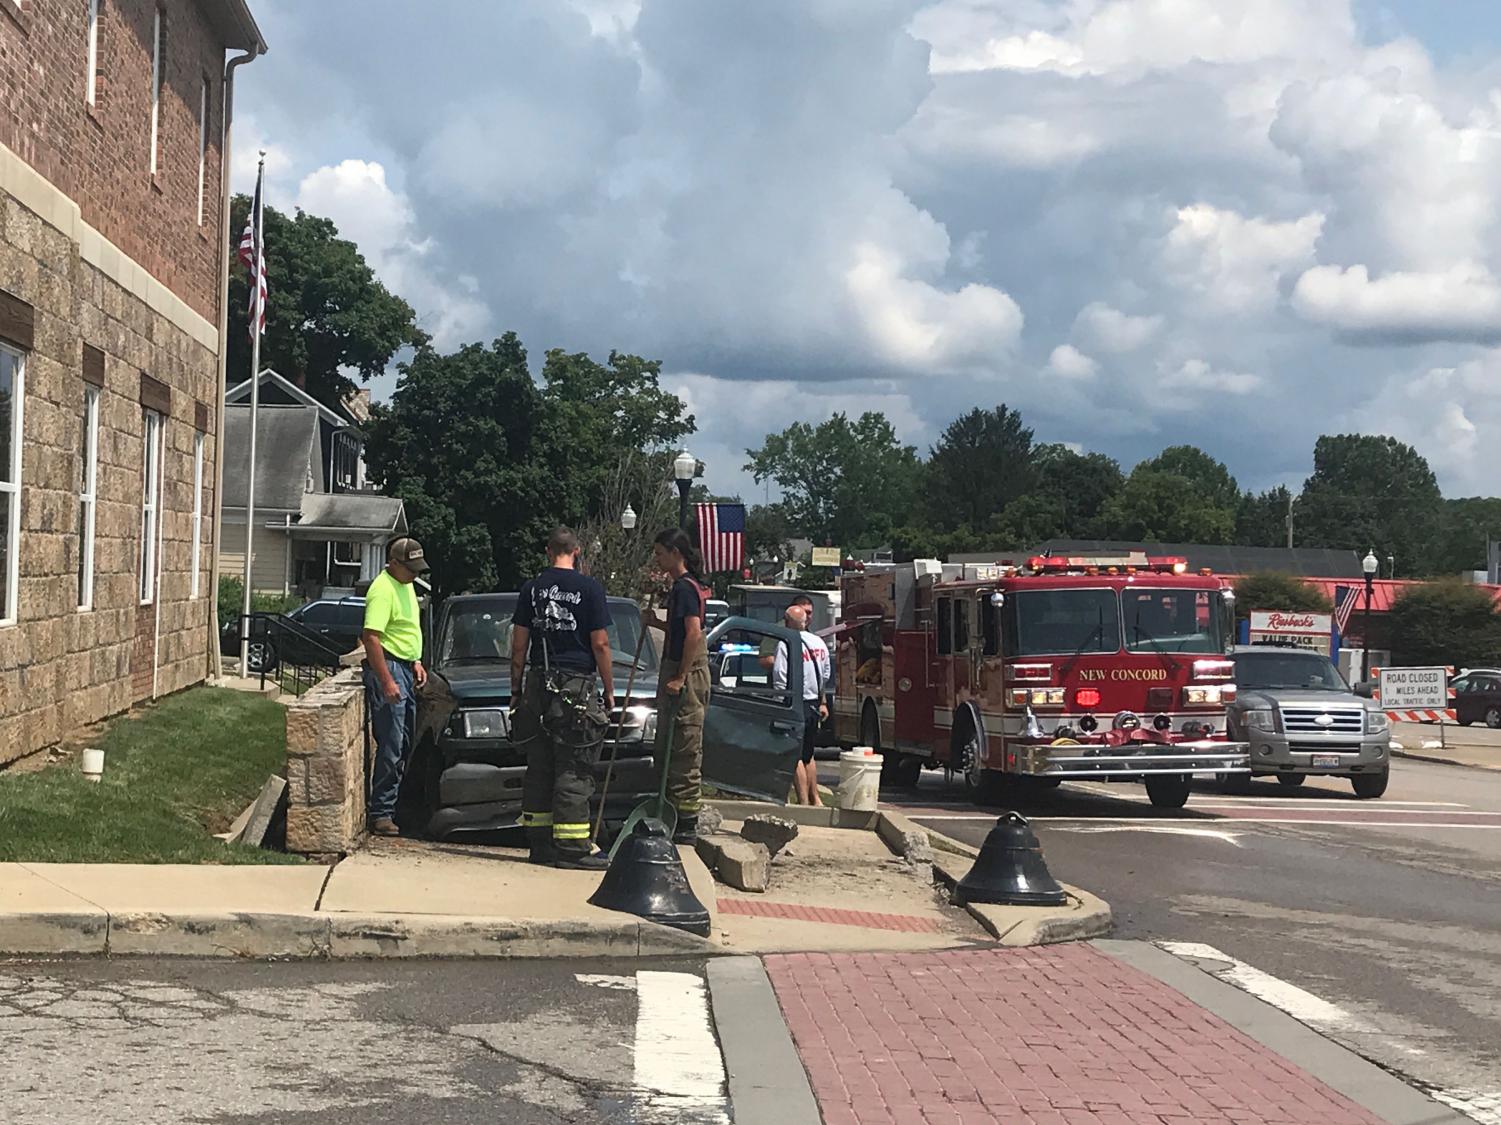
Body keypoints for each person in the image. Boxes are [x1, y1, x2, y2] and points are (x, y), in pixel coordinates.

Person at [511, 527, 615, 869]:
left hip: (537, 685)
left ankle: (540, 845)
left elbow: (519, 645)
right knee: (574, 764)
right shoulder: (589, 589)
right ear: (578, 551)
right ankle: (572, 847)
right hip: (576, 687)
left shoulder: (532, 589)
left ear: (547, 551)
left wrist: (516, 689)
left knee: (539, 765)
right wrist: (609, 689)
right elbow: (599, 643)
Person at [362, 537, 429, 837]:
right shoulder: (382, 589)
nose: (415, 574)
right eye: (411, 568)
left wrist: (415, 660)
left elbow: (406, 628)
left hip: (405, 665)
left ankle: (391, 806)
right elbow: (371, 637)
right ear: (395, 563)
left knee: (403, 741)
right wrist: (387, 680)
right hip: (388, 667)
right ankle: (382, 813)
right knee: (390, 743)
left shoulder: (406, 585)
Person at [652, 528, 711, 843]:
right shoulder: (678, 589)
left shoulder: (687, 589)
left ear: (676, 552)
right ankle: (670, 811)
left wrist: (680, 677)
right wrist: (656, 623)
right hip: (675, 669)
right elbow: (678, 629)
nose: (657, 559)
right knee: (668, 748)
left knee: (685, 747)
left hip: (686, 675)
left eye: (660, 552)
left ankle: (686, 823)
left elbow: (693, 634)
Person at [772, 605, 832, 807]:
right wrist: (822, 701)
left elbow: (780, 677)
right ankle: (816, 798)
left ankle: (803, 801)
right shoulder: (819, 643)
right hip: (814, 702)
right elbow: (825, 675)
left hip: (795, 702)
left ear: (787, 622)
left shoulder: (786, 644)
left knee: (794, 754)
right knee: (809, 755)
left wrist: (780, 702)